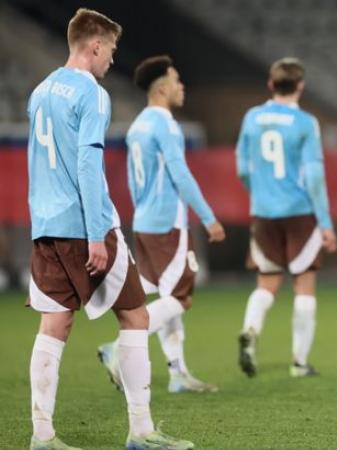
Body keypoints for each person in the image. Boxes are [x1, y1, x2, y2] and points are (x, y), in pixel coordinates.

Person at [25, 8, 193, 450]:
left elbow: (37, 163)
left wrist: (42, 220)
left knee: (54, 326)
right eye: (112, 50)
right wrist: (98, 233)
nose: (112, 60)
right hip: (86, 225)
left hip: (46, 225)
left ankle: (42, 436)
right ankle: (142, 432)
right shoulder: (92, 93)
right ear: (95, 46)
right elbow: (87, 162)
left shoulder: (41, 91)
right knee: (136, 316)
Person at [97, 55, 225, 394]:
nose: (182, 86)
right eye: (178, 80)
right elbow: (180, 174)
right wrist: (209, 218)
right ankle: (120, 348)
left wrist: (144, 213)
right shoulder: (166, 124)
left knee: (168, 295)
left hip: (145, 222)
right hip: (168, 223)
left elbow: (133, 181)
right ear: (164, 87)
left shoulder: (138, 125)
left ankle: (178, 372)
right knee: (181, 297)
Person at [235, 57, 337, 378]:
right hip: (299, 212)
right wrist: (326, 223)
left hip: (264, 213)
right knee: (304, 285)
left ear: (271, 84)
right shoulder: (306, 123)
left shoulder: (252, 117)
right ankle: (299, 362)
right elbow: (316, 176)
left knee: (267, 283)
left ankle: (250, 333)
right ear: (301, 86)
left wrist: (260, 192)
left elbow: (241, 168)